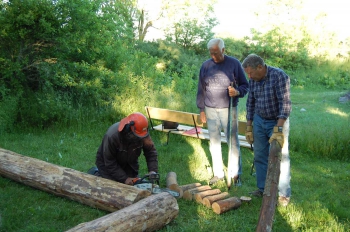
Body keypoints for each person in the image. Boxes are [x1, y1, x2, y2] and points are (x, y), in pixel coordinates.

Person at [196, 38, 249, 186]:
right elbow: (201, 89)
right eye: (211, 53)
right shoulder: (205, 66)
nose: (213, 56)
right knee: (214, 142)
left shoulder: (234, 64)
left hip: (228, 109)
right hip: (210, 109)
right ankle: (218, 174)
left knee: (232, 142)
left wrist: (237, 91)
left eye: (216, 53)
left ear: (223, 50)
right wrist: (201, 109)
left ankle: (235, 175)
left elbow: (245, 85)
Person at [242, 54, 291, 206]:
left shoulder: (279, 76)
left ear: (260, 67)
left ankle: (283, 194)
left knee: (280, 157)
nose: (248, 76)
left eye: (250, 73)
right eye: (247, 74)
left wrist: (279, 128)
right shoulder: (253, 79)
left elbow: (285, 103)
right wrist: (249, 126)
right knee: (259, 156)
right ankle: (263, 189)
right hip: (259, 120)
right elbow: (250, 102)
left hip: (277, 121)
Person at [93, 112, 158, 185]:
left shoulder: (142, 133)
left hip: (129, 163)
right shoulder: (112, 136)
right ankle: (96, 173)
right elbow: (109, 162)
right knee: (113, 186)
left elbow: (150, 152)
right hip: (107, 164)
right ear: (128, 129)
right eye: (136, 136)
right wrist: (124, 178)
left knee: (135, 185)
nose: (139, 139)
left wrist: (152, 170)